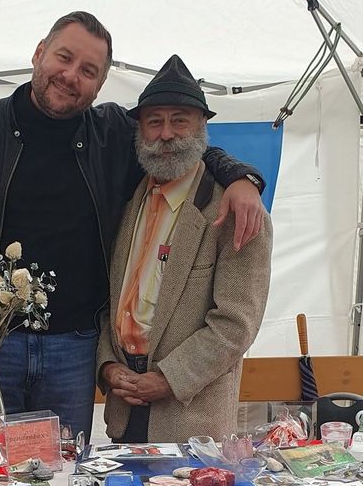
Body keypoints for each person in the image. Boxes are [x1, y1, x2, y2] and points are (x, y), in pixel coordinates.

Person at [0, 11, 266, 440]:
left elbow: (181, 143)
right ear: (39, 53)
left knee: (61, 477)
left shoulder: (113, 134)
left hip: (73, 348)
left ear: (99, 86)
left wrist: (241, 177)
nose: (71, 76)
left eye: (88, 71)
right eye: (64, 57)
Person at [97, 55, 273, 444]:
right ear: (139, 130)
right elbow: (112, 301)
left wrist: (168, 379)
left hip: (192, 423)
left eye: (180, 120)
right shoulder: (128, 200)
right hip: (124, 414)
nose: (166, 133)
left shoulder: (234, 209)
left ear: (202, 126)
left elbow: (236, 323)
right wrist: (108, 366)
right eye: (154, 121)